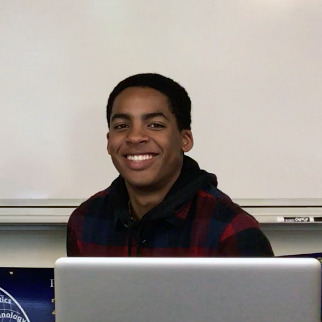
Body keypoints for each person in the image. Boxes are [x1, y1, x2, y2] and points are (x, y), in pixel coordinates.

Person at [67, 73, 273, 257]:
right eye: (122, 126)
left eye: (155, 125)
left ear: (185, 139)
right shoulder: (85, 221)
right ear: (109, 141)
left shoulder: (231, 229)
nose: (135, 137)